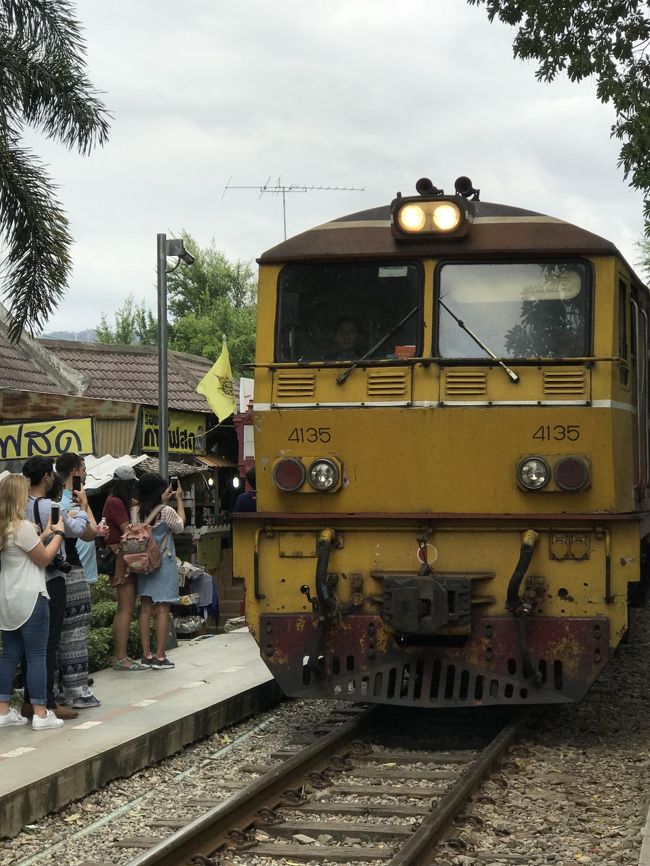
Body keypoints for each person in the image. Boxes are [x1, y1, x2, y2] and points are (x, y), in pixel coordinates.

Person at [21, 456, 89, 719]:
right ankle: (47, 701)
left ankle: (29, 699)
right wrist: (81, 508)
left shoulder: (20, 505)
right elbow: (75, 530)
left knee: (29, 644)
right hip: (51, 576)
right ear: (48, 477)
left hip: (27, 577)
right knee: (49, 643)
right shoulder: (51, 506)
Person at [0, 474, 67, 730]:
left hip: (7, 599)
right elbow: (44, 558)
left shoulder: (4, 528)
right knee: (37, 654)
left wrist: (47, 531)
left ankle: (3, 711)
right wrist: (59, 533)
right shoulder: (22, 527)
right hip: (31, 596)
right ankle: (41, 713)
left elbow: (30, 548)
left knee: (9, 656)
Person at [52, 452, 100, 710]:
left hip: (52, 571)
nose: (86, 470)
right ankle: (77, 689)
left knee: (57, 632)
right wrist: (85, 506)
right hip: (72, 569)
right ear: (75, 472)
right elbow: (90, 533)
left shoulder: (52, 498)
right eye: (83, 466)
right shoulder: (70, 500)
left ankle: (57, 688)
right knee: (76, 631)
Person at [135, 472, 185, 670]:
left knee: (145, 607)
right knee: (163, 608)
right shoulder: (166, 511)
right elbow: (180, 527)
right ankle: (160, 656)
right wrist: (179, 501)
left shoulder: (135, 511)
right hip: (163, 562)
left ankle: (146, 655)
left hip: (143, 563)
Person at [102, 465, 146, 671]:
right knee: (125, 609)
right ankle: (120, 657)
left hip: (121, 556)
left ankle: (120, 656)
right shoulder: (116, 502)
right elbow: (128, 531)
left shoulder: (115, 501)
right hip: (120, 559)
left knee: (125, 609)